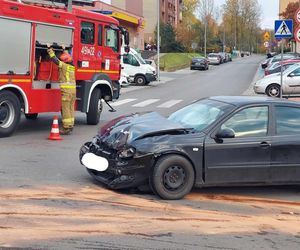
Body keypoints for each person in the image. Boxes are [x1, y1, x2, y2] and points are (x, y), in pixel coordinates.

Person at [46, 43, 76, 135]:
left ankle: (66, 128)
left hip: (66, 92)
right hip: (73, 92)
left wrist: (49, 49)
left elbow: (54, 60)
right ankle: (70, 125)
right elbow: (67, 57)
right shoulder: (71, 67)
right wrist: (64, 50)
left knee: (65, 109)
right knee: (70, 109)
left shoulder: (64, 66)